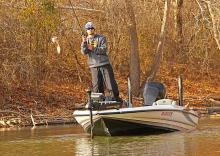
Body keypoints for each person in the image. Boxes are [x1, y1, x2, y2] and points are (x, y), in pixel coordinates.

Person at [81, 21, 121, 101]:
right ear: (86, 30)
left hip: (104, 64)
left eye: (92, 28)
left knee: (110, 83)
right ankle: (99, 101)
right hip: (93, 66)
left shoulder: (101, 38)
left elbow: (104, 50)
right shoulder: (85, 40)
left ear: (94, 29)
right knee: (97, 86)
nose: (90, 30)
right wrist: (84, 42)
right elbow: (84, 52)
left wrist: (92, 48)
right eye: (88, 28)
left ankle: (115, 99)